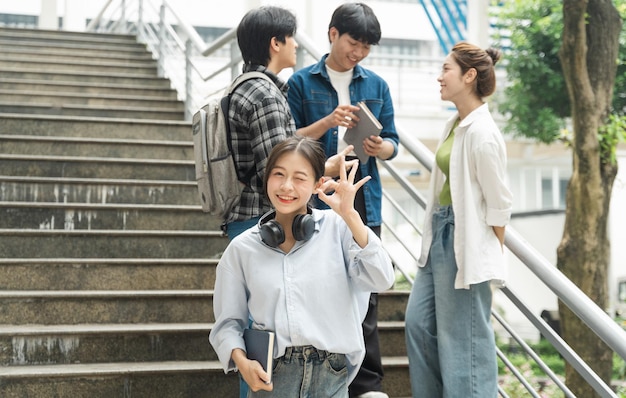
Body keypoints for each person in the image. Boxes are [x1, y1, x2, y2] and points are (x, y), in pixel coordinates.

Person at [209, 135, 395, 398]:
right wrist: (242, 361)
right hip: (275, 378)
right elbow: (227, 323)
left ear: (318, 184)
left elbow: (382, 279)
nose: (286, 186)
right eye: (279, 175)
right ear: (267, 179)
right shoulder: (242, 249)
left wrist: (352, 217)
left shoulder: (340, 228)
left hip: (331, 375)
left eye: (299, 178)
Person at [287, 3, 399, 397]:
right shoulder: (301, 83)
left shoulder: (377, 85)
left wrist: (379, 146)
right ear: (333, 34)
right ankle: (322, 377)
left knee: (366, 291)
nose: (359, 52)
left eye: (367, 46)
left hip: (362, 199)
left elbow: (393, 145)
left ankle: (367, 385)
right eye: (355, 42)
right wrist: (328, 122)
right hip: (315, 198)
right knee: (318, 287)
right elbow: (290, 142)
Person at [404, 42, 513, 398]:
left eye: (446, 69)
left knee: (463, 342)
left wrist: (488, 252)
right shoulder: (456, 123)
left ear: (469, 76)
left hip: (465, 241)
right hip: (440, 232)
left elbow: (499, 204)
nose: (439, 77)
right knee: (418, 326)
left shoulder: (483, 134)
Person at [223, 5, 298, 239]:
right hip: (263, 221)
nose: (296, 45)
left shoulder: (242, 84)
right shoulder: (265, 94)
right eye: (291, 38)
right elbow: (278, 170)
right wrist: (325, 169)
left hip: (246, 218)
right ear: (276, 43)